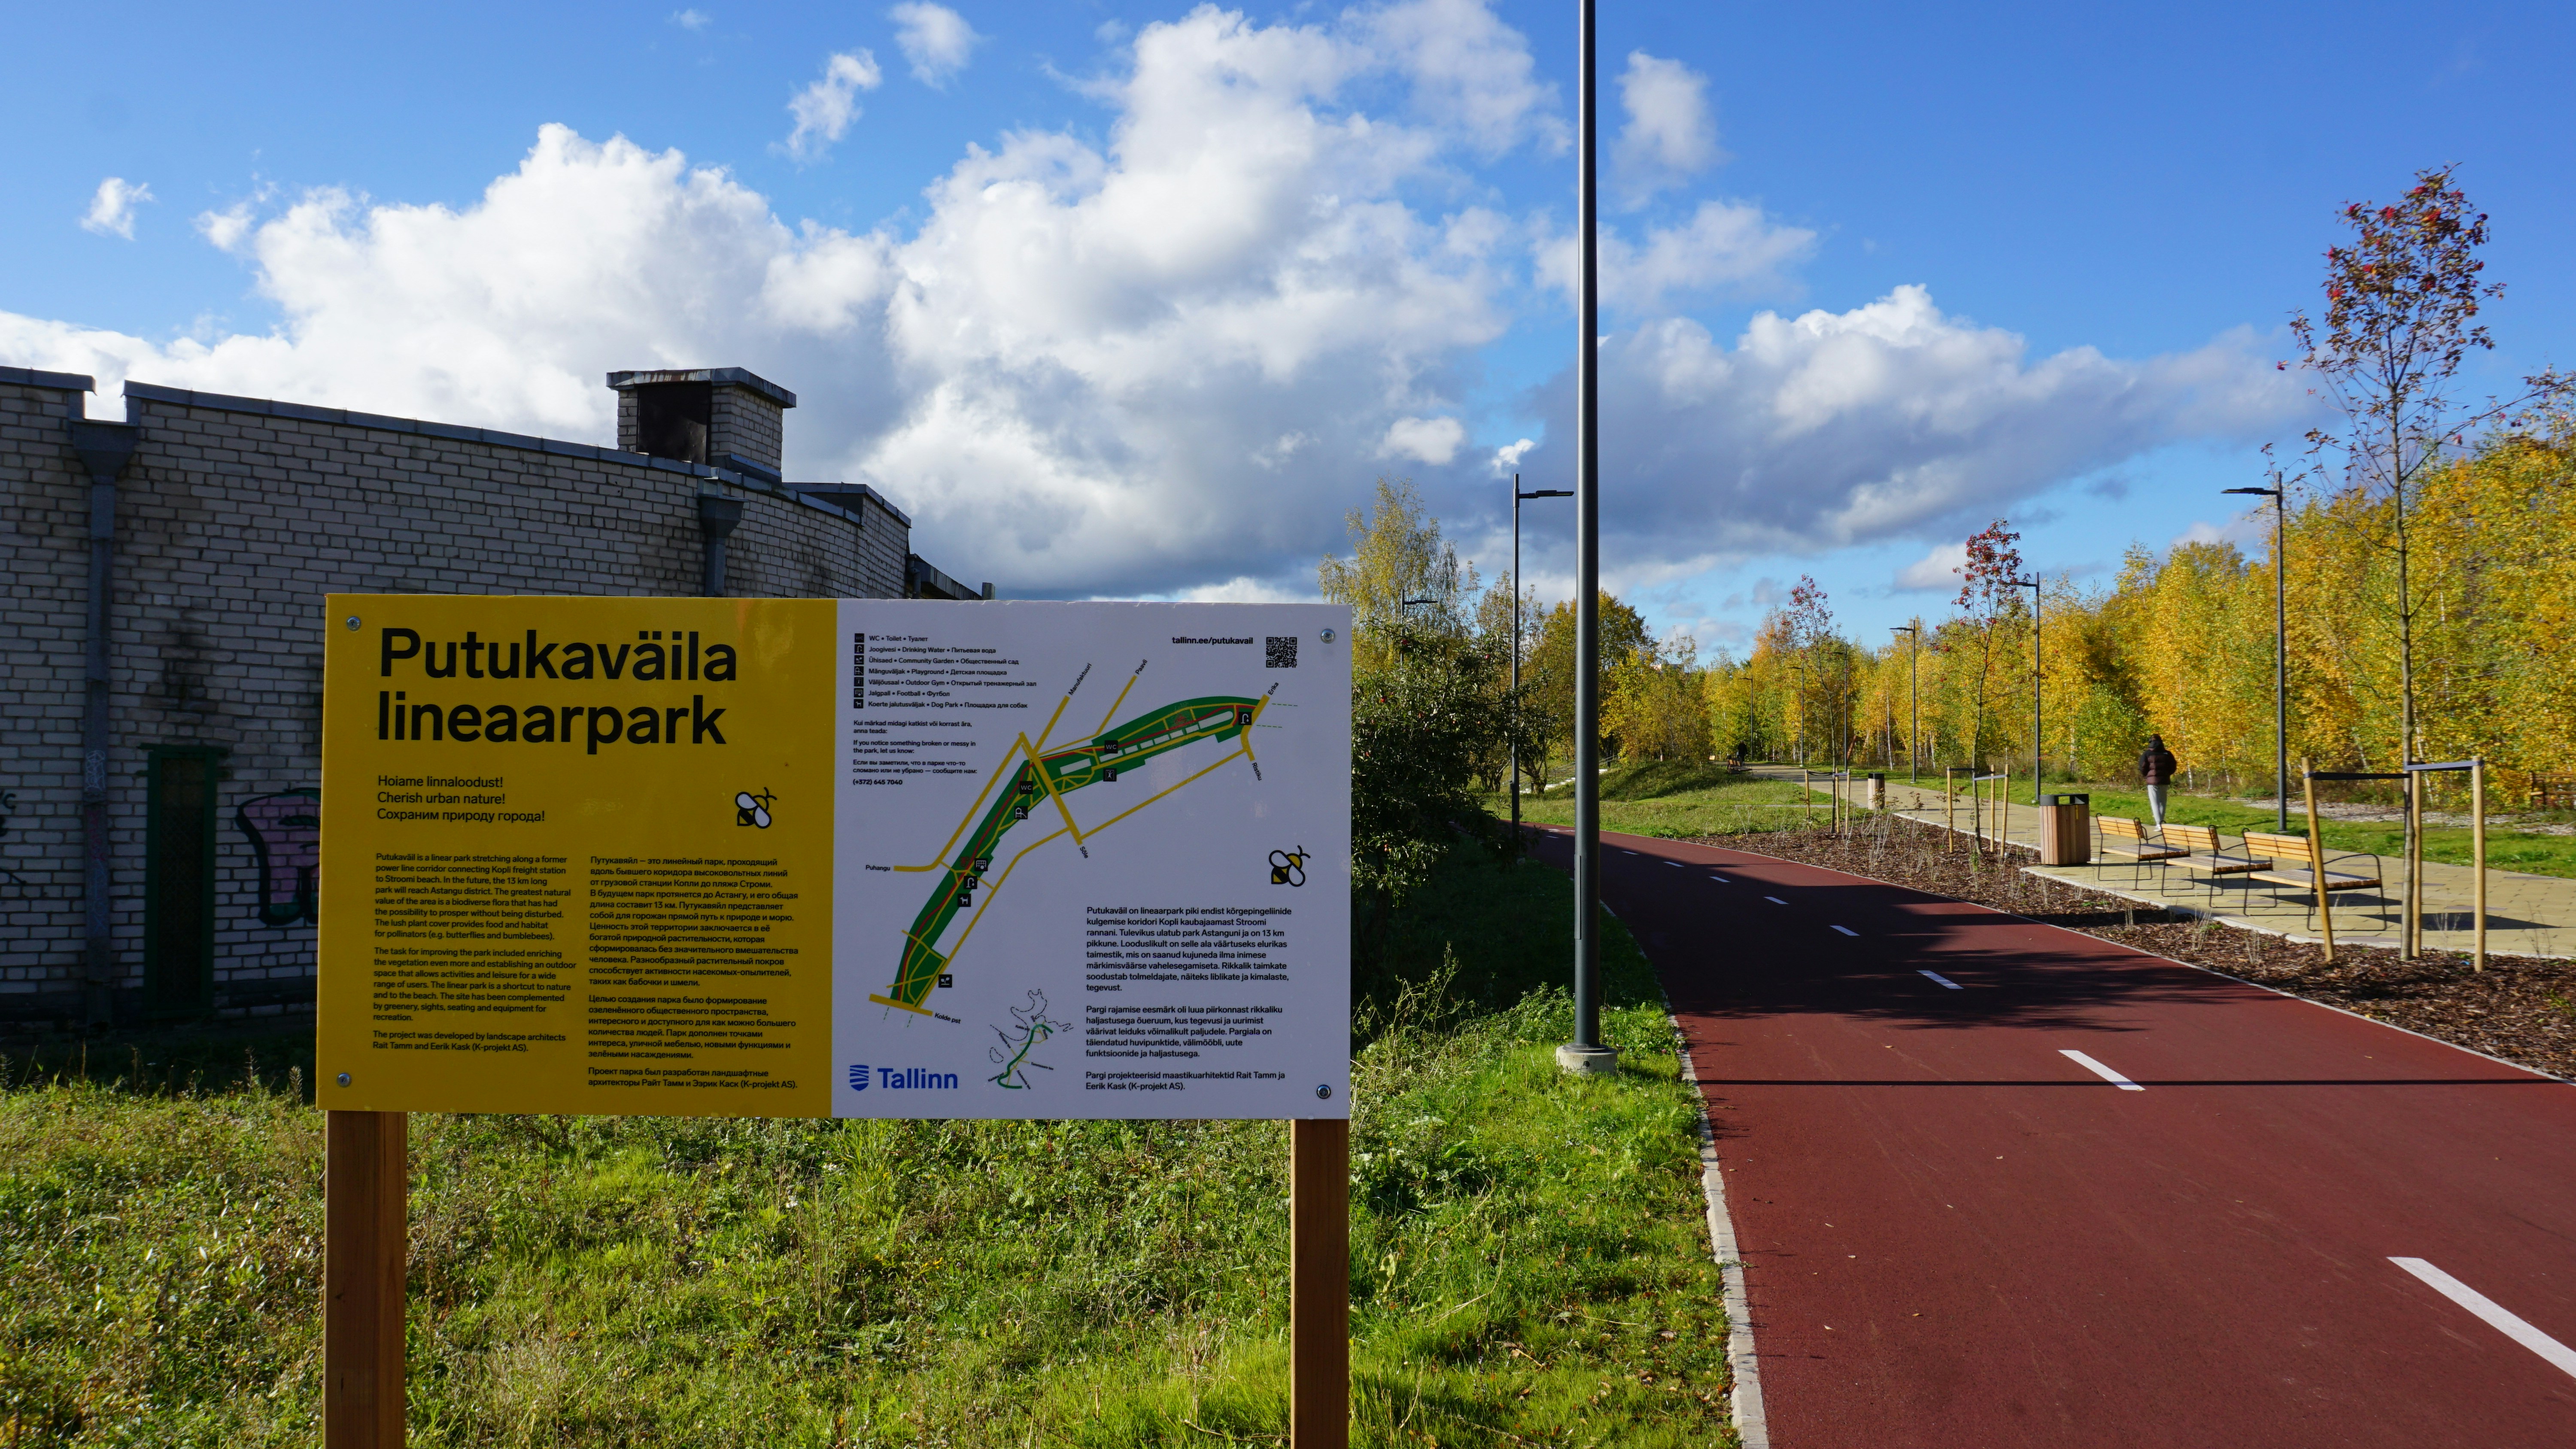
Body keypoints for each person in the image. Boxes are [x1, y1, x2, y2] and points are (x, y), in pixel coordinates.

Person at [2139, 734, 2178, 830]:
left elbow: (2142, 767)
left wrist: (2147, 776)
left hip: (2152, 782)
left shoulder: (2147, 754)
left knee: (2154, 802)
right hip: (2164, 780)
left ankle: (2159, 824)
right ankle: (2161, 822)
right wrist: (2167, 774)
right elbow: (2173, 767)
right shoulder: (2167, 753)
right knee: (2162, 802)